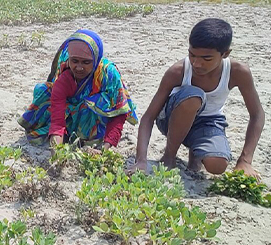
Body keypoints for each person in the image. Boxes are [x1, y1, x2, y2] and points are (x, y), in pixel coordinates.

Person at [130, 18, 264, 178]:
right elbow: (148, 117)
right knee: (194, 97)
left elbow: (257, 114)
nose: (197, 64)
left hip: (208, 122)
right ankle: (169, 156)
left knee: (217, 165)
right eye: (192, 55)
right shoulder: (178, 71)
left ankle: (197, 152)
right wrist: (141, 160)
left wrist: (245, 160)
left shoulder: (238, 72)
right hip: (172, 119)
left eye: (206, 59)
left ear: (225, 54)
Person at [19, 29, 138, 150]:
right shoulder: (65, 78)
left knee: (94, 103)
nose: (79, 67)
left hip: (97, 122)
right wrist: (56, 151)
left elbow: (119, 113)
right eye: (74, 61)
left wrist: (106, 148)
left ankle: (88, 139)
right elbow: (57, 121)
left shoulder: (108, 74)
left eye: (86, 62)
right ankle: (68, 134)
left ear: (96, 60)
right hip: (70, 116)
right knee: (44, 91)